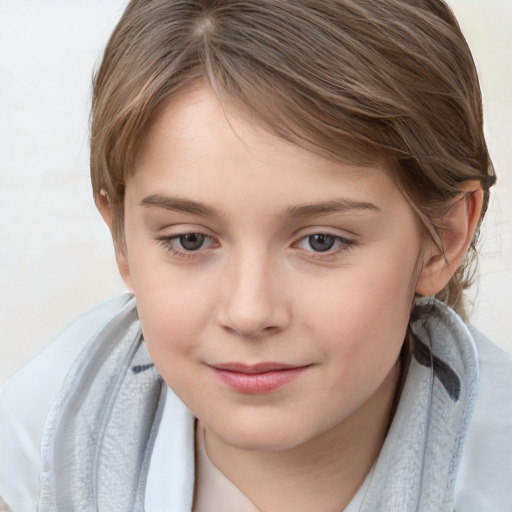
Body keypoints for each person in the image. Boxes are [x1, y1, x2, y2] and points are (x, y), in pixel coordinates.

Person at [1, 0, 511, 510]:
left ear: (442, 237)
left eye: (321, 241)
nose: (248, 312)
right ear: (121, 239)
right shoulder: (27, 466)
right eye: (190, 240)